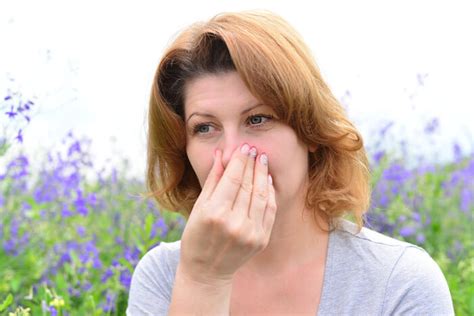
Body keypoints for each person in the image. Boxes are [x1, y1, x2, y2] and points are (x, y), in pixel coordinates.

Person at [127, 10, 454, 315]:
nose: (231, 155)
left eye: (257, 119)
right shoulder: (164, 276)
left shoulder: (398, 282)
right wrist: (203, 280)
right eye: (204, 127)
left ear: (311, 131)